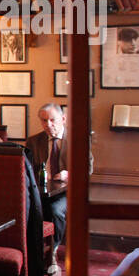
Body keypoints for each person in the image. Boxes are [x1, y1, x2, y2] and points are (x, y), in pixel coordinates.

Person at [24, 102, 94, 248]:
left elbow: (87, 168)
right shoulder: (34, 141)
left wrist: (68, 174)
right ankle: (32, 249)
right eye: (44, 120)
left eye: (52, 120)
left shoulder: (77, 139)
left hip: (68, 192)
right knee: (27, 207)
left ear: (63, 119)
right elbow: (26, 168)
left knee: (55, 210)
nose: (48, 125)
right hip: (43, 190)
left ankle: (52, 249)